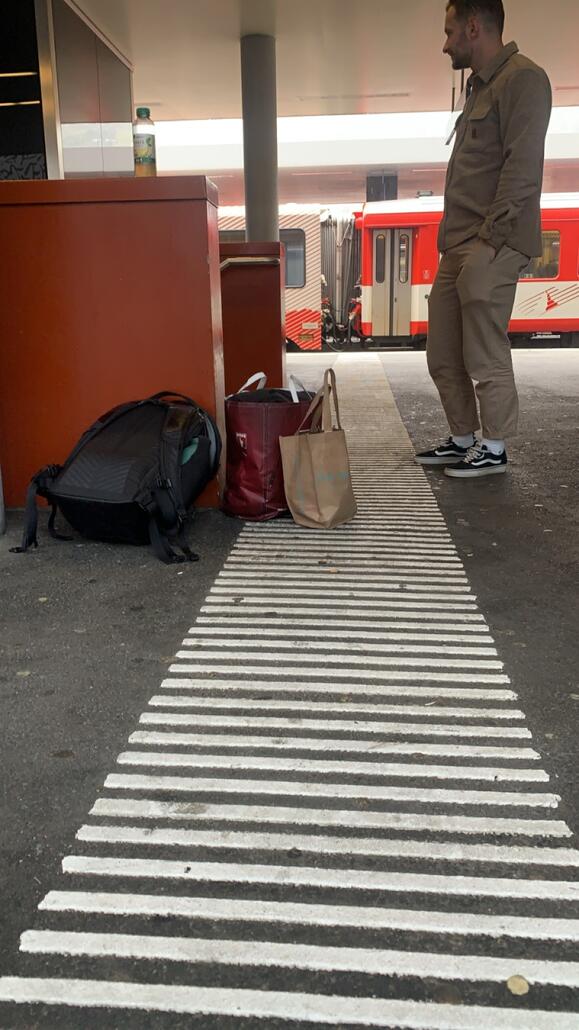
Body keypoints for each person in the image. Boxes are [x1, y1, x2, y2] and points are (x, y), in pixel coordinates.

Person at [416, 0, 552, 477]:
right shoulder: (479, 88)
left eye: (451, 31)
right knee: (443, 352)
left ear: (474, 27)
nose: (446, 43)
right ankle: (462, 439)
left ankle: (493, 447)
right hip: (458, 243)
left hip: (490, 241)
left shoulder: (524, 80)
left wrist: (490, 243)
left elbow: (521, 170)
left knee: (483, 348)